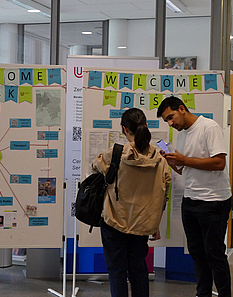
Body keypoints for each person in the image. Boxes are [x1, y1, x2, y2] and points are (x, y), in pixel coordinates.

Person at [92, 108, 171, 297]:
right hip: (143, 224)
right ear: (145, 126)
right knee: (139, 270)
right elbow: (164, 193)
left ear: (125, 129)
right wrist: (156, 223)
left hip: (115, 221)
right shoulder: (160, 158)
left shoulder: (117, 153)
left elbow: (96, 166)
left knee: (117, 272)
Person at [157, 97, 231, 297]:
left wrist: (184, 160)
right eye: (167, 121)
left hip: (214, 200)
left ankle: (224, 294)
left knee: (214, 254)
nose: (171, 123)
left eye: (171, 117)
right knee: (197, 254)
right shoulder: (181, 135)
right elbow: (185, 169)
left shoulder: (209, 127)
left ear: (182, 108)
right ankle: (203, 293)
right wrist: (173, 163)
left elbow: (219, 163)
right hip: (191, 200)